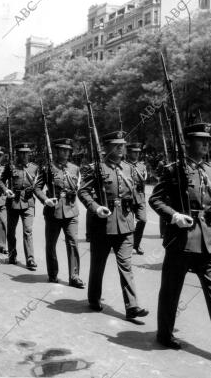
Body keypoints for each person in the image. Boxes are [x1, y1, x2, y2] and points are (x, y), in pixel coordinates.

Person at [149, 122, 211, 364]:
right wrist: (174, 215)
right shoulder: (174, 169)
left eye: (208, 140)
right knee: (172, 290)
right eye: (200, 140)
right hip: (182, 238)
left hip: (210, 240)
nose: (206, 144)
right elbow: (156, 199)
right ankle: (164, 333)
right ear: (188, 142)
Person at [78, 131, 149, 320]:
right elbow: (83, 192)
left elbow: (135, 192)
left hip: (125, 224)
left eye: (123, 145)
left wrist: (139, 212)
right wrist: (95, 207)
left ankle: (132, 306)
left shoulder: (129, 168)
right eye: (117, 145)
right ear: (107, 148)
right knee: (98, 265)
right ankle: (94, 298)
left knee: (126, 265)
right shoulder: (95, 168)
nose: (121, 148)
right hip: (103, 224)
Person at [34, 138, 84, 288]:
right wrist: (45, 200)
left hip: (71, 210)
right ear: (56, 151)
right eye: (62, 150)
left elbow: (79, 187)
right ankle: (53, 273)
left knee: (73, 242)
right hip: (53, 211)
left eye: (67, 150)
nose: (65, 152)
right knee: (51, 244)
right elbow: (37, 188)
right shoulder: (48, 168)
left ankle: (74, 276)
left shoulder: (75, 168)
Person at [0, 143, 38, 269]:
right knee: (11, 231)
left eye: (26, 152)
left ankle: (30, 259)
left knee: (28, 230)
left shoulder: (34, 168)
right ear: (17, 153)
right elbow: (0, 180)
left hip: (28, 202)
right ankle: (12, 255)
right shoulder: (11, 167)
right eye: (21, 152)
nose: (24, 155)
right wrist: (5, 190)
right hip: (13, 202)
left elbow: (39, 185)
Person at [125, 142, 147, 255]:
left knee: (142, 220)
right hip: (127, 197)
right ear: (128, 152)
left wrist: (142, 197)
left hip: (139, 197)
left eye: (138, 152)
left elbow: (143, 183)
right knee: (128, 224)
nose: (137, 154)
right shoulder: (122, 165)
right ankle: (127, 245)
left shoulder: (142, 166)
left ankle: (136, 244)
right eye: (134, 152)